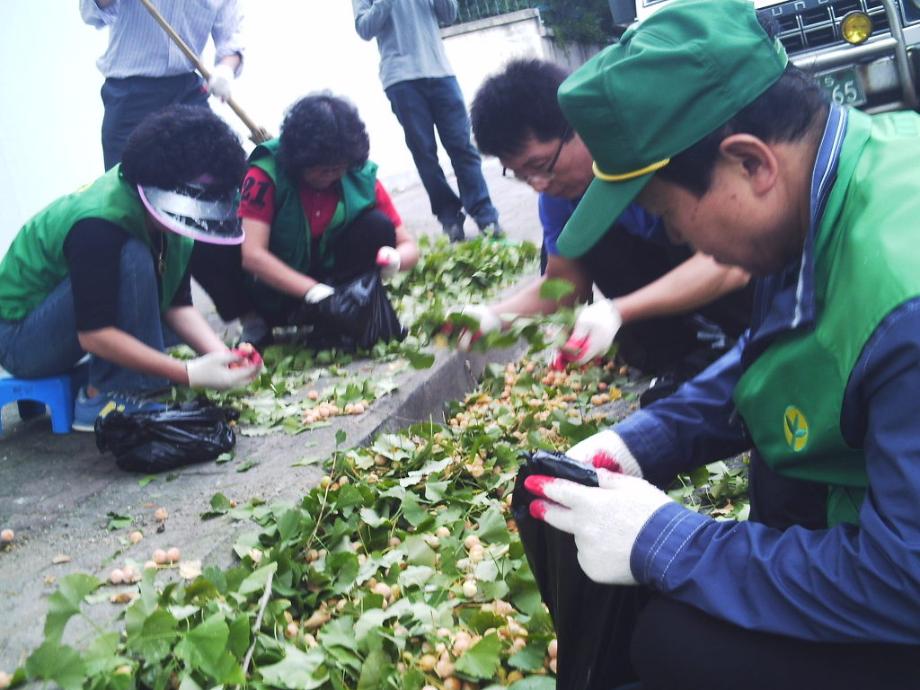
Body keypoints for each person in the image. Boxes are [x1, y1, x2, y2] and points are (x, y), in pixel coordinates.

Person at [518, 2, 920, 688]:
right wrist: (645, 440)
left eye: (669, 215)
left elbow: (907, 582)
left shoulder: (905, 305)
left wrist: (669, 541)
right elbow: (789, 347)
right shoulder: (846, 178)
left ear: (749, 164)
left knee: (677, 645)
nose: (680, 242)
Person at [460, 58, 751, 401]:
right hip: (669, 301)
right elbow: (565, 283)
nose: (538, 185)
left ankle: (741, 344)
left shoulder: (657, 149)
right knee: (587, 242)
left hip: (737, 283)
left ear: (578, 126)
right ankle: (681, 358)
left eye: (539, 166)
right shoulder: (559, 196)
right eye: (522, 176)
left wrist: (619, 311)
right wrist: (493, 317)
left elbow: (732, 262)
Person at [0, 106, 261, 432]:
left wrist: (224, 357)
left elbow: (177, 307)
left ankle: (123, 380)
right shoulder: (99, 224)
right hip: (19, 339)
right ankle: (104, 395)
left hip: (69, 323)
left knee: (156, 313)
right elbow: (94, 335)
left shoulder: (170, 221)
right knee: (133, 255)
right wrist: (189, 373)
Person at [224, 93, 418, 345]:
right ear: (299, 159)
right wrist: (311, 290)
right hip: (276, 293)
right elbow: (252, 255)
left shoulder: (359, 175)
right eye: (320, 168)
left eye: (337, 168)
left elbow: (410, 247)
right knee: (214, 244)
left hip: (336, 289)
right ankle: (258, 322)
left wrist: (395, 259)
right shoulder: (265, 174)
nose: (329, 176)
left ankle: (335, 320)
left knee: (376, 225)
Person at [352, 0, 502, 242]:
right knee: (425, 155)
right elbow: (364, 29)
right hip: (401, 78)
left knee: (463, 148)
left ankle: (486, 216)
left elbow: (449, 14)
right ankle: (449, 218)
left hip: (441, 72)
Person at [81, 0, 243, 170]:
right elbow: (90, 12)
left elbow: (232, 41)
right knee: (127, 185)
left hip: (187, 91)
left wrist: (225, 70)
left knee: (219, 170)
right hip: (130, 95)